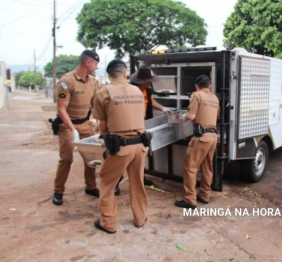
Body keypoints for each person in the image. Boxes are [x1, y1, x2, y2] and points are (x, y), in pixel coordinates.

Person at [93, 59, 150, 233]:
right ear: (125, 74)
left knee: (107, 183)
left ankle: (108, 223)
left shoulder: (103, 92)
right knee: (137, 182)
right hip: (141, 146)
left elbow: (103, 126)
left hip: (120, 148)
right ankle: (140, 218)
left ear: (109, 75)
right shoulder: (137, 91)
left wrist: (104, 139)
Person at [113, 66, 172, 195]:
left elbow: (152, 101)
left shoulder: (148, 91)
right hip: (129, 128)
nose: (150, 83)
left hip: (143, 127)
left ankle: (141, 178)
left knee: (141, 156)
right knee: (124, 157)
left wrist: (163, 108)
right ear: (141, 81)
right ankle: (116, 183)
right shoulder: (128, 90)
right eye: (149, 81)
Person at [52, 50, 100, 206]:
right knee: (67, 159)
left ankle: (91, 187)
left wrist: (97, 119)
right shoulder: (67, 81)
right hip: (67, 124)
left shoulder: (93, 81)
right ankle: (58, 191)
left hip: (85, 123)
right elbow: (61, 109)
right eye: (96, 63)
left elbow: (94, 104)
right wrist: (72, 129)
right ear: (88, 63)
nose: (97, 67)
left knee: (92, 157)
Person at [175, 75, 220, 209]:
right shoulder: (215, 98)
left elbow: (191, 116)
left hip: (201, 137)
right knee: (207, 168)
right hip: (213, 137)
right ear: (209, 86)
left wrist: (180, 117)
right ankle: (205, 196)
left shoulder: (196, 95)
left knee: (190, 168)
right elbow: (217, 116)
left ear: (196, 86)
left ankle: (189, 199)